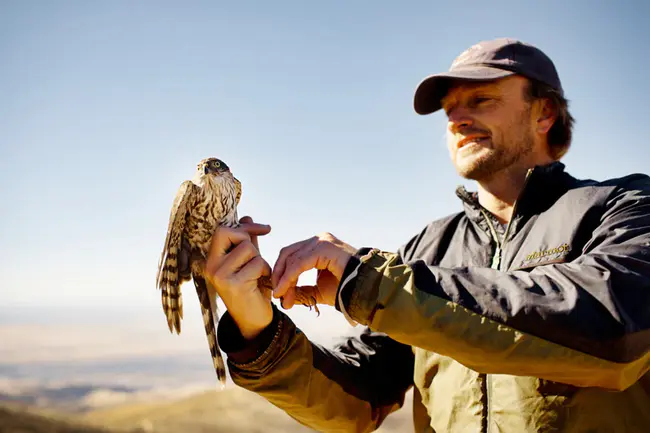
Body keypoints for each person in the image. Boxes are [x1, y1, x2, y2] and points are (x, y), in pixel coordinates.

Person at [204, 38, 650, 432]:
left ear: (544, 112)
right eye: (450, 109)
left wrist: (367, 282)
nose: (457, 118)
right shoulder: (429, 248)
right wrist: (258, 329)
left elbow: (615, 334)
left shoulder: (623, 208)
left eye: (480, 99)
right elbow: (358, 403)